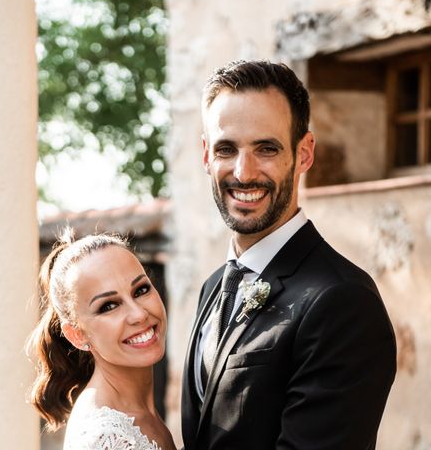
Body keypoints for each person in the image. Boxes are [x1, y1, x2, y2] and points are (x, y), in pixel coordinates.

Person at [181, 60, 397, 449]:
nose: (244, 173)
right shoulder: (215, 286)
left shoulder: (342, 300)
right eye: (226, 149)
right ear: (206, 155)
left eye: (266, 148)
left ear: (304, 154)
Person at [27, 232, 177, 450]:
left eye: (141, 290)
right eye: (109, 306)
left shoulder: (138, 412)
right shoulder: (105, 437)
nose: (139, 314)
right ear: (77, 335)